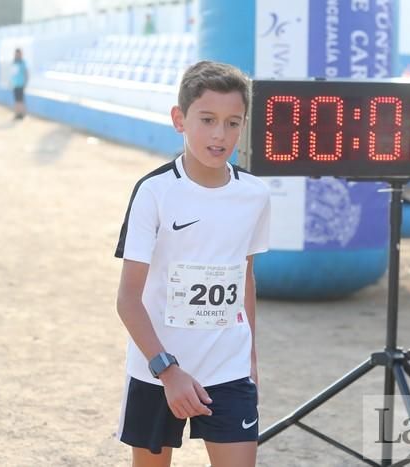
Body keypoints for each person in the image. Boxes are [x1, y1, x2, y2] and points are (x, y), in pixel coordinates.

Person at [114, 60, 271, 467]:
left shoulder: (255, 195)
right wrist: (168, 371)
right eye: (207, 120)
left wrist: (250, 358)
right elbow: (128, 299)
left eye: (233, 122)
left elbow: (245, 278)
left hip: (228, 368)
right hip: (158, 369)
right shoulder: (154, 193)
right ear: (179, 119)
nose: (220, 135)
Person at [11, 48, 28, 119]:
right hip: (15, 84)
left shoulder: (22, 62)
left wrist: (25, 83)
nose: (17, 55)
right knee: (16, 100)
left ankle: (22, 114)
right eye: (16, 53)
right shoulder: (14, 62)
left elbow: (26, 73)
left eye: (18, 53)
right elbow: (13, 73)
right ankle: (17, 113)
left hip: (21, 84)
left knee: (21, 100)